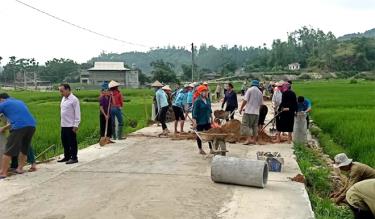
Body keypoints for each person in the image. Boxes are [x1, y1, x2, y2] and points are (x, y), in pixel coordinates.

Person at [0, 93, 36, 179]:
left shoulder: (3, 104)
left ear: (1, 99)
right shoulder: (19, 101)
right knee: (24, 149)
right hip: (32, 125)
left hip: (19, 126)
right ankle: (20, 169)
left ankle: (3, 173)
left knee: (8, 149)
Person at [58, 84, 81, 164]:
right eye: (60, 91)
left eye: (62, 91)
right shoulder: (63, 99)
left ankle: (74, 157)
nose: (60, 93)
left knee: (72, 142)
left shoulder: (74, 100)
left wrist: (76, 125)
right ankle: (67, 156)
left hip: (71, 125)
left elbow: (77, 113)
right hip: (63, 124)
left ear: (68, 90)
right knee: (65, 142)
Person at [239, 80, 263, 145]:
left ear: (252, 84)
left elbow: (245, 100)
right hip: (256, 113)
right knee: (255, 126)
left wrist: (241, 108)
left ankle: (248, 139)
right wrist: (257, 110)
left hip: (248, 112)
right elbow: (261, 104)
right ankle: (254, 140)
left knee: (245, 125)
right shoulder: (260, 92)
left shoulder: (249, 90)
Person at [192, 85, 213, 155]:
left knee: (210, 135)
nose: (205, 92)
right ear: (200, 92)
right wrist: (194, 122)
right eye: (203, 91)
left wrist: (211, 118)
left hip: (207, 120)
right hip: (200, 121)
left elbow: (210, 110)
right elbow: (194, 112)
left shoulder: (207, 100)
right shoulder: (197, 101)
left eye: (206, 91)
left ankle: (211, 149)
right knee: (200, 136)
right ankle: (200, 149)